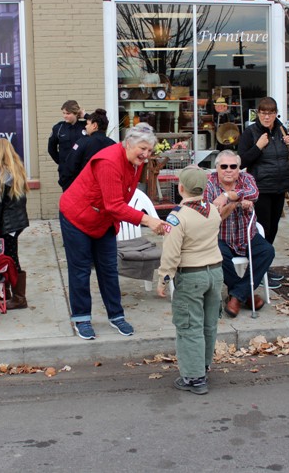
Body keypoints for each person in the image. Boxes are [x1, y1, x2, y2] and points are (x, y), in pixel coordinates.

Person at [59, 123, 168, 340]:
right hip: (77, 217)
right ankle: (81, 318)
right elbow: (115, 205)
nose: (146, 155)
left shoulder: (136, 163)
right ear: (128, 144)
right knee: (80, 269)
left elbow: (121, 199)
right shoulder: (109, 161)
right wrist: (147, 219)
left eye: (149, 151)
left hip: (104, 220)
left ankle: (116, 315)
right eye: (142, 149)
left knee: (108, 268)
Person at [157, 166, 223, 395]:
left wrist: (164, 278)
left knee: (189, 325)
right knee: (208, 323)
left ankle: (194, 378)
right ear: (205, 188)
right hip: (215, 272)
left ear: (181, 188)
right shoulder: (213, 210)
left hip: (191, 275)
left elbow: (171, 253)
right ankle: (203, 365)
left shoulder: (177, 217)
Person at [203, 150, 275, 318]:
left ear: (239, 168)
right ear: (217, 168)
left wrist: (227, 196)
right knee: (217, 255)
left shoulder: (247, 178)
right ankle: (247, 295)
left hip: (246, 235)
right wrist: (235, 204)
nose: (228, 170)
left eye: (233, 166)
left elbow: (254, 194)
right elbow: (215, 217)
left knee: (267, 251)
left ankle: (236, 296)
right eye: (224, 166)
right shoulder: (209, 184)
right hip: (220, 236)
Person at [237, 96, 289, 287]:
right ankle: (258, 268)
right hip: (260, 188)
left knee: (273, 228)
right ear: (257, 113)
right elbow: (242, 161)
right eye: (263, 113)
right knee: (261, 229)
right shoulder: (251, 132)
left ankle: (264, 265)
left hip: (279, 187)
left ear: (275, 113)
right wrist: (258, 147)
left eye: (270, 113)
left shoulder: (281, 130)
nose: (266, 117)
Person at [0, 139, 29, 310]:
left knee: (11, 259)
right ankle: (6, 293)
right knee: (6, 257)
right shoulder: (13, 171)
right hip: (15, 223)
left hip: (8, 225)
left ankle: (19, 298)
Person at [58, 108, 115, 190]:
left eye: (87, 124)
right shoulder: (112, 144)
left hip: (86, 189)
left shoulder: (83, 142)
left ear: (94, 126)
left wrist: (64, 183)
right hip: (106, 188)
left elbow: (70, 166)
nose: (85, 126)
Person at [48, 100, 86, 187]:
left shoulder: (85, 126)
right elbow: (51, 149)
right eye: (64, 113)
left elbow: (99, 123)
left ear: (76, 113)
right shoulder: (58, 128)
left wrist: (85, 115)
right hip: (66, 172)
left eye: (68, 113)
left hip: (83, 170)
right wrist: (62, 162)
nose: (65, 116)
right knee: (68, 198)